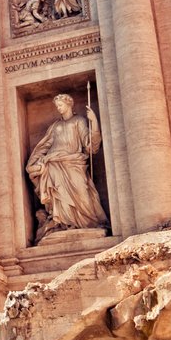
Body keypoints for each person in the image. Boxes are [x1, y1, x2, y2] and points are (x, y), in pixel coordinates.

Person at [26, 94, 108, 239]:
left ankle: (89, 223)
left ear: (69, 104)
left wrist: (94, 122)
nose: (58, 108)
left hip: (74, 163)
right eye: (57, 106)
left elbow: (90, 145)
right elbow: (45, 145)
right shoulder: (55, 126)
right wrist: (35, 161)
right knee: (59, 195)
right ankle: (63, 223)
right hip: (54, 163)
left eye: (61, 105)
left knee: (82, 193)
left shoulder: (79, 121)